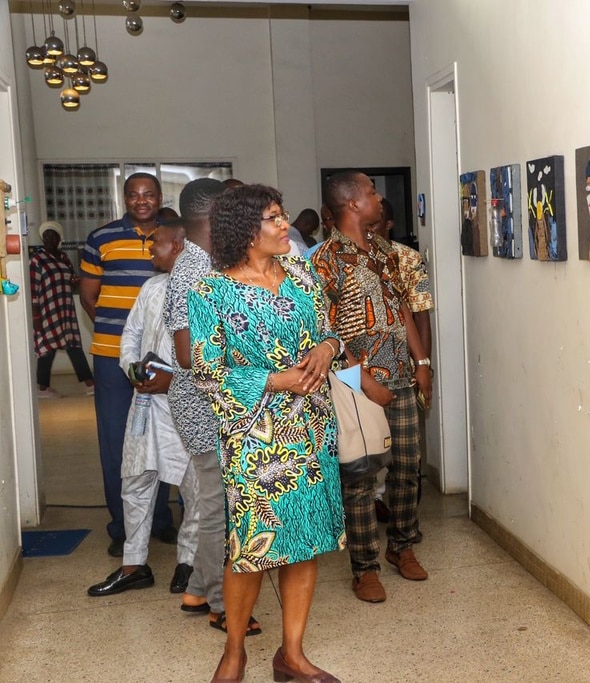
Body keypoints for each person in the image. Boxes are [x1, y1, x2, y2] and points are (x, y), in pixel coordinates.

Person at [189, 184, 346, 683]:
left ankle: (292, 655)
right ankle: (234, 652)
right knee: (253, 547)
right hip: (255, 436)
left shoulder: (301, 273)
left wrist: (327, 349)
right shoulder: (208, 292)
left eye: (282, 217)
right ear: (245, 229)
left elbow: (328, 330)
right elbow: (206, 371)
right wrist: (271, 379)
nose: (286, 226)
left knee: (303, 540)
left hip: (311, 427)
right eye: (275, 219)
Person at [310, 171, 432, 604]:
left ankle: (403, 545)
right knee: (361, 478)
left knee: (407, 467)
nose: (379, 198)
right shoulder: (323, 260)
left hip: (400, 376)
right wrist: (362, 382)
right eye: (371, 192)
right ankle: (365, 568)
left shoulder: (385, 251)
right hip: (356, 385)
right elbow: (319, 331)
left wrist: (421, 363)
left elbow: (401, 310)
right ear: (353, 204)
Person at [87, 222, 195, 597]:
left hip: (186, 405)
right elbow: (130, 335)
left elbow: (214, 356)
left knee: (193, 486)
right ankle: (134, 564)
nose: (151, 251)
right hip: (145, 403)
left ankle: (189, 563)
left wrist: (176, 380)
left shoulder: (204, 289)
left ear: (179, 246)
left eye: (157, 245)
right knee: (135, 480)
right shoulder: (151, 288)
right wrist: (132, 369)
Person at [164, 178, 253, 631]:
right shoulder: (194, 271)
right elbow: (186, 354)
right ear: (213, 214)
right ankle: (222, 604)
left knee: (216, 503)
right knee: (220, 506)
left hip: (214, 400)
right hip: (203, 404)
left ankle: (198, 590)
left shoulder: (209, 263)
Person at [80, 172, 176, 557]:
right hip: (110, 356)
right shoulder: (101, 238)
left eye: (148, 195)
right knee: (117, 440)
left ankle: (160, 520)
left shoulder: (173, 238)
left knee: (164, 434)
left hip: (163, 358)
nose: (141, 201)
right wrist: (122, 338)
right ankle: (121, 525)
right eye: (134, 195)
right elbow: (90, 297)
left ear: (158, 197)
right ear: (124, 198)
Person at [371, 198, 434, 524]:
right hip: (356, 375)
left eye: (377, 224)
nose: (370, 232)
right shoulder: (331, 260)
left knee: (407, 458)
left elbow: (419, 314)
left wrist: (424, 365)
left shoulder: (407, 259)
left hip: (401, 371)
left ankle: (404, 536)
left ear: (390, 224)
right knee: (363, 457)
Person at [29, 221, 94, 399]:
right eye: (46, 236)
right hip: (47, 310)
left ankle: (88, 384)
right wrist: (36, 314)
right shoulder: (37, 259)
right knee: (48, 348)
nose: (49, 239)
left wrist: (78, 280)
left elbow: (70, 278)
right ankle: (44, 388)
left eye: (53, 235)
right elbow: (33, 287)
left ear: (60, 238)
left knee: (73, 344)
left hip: (65, 309)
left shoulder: (63, 258)